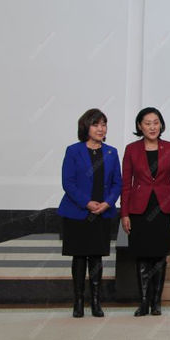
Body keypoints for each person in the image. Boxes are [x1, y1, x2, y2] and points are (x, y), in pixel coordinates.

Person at [58, 109, 121, 318]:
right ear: (86, 127)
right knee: (78, 257)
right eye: (96, 124)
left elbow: (117, 183)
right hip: (77, 212)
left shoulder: (111, 152)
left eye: (104, 124)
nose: (101, 129)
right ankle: (78, 302)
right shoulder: (73, 150)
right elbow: (68, 182)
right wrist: (86, 203)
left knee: (96, 257)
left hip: (102, 212)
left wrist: (107, 203)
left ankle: (95, 302)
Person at [120, 107, 170, 316]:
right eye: (147, 123)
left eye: (156, 122)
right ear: (140, 126)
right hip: (139, 210)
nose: (152, 127)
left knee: (160, 256)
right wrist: (124, 213)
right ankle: (143, 302)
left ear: (161, 125)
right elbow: (126, 184)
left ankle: (156, 302)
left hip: (164, 209)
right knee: (142, 256)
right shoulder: (131, 149)